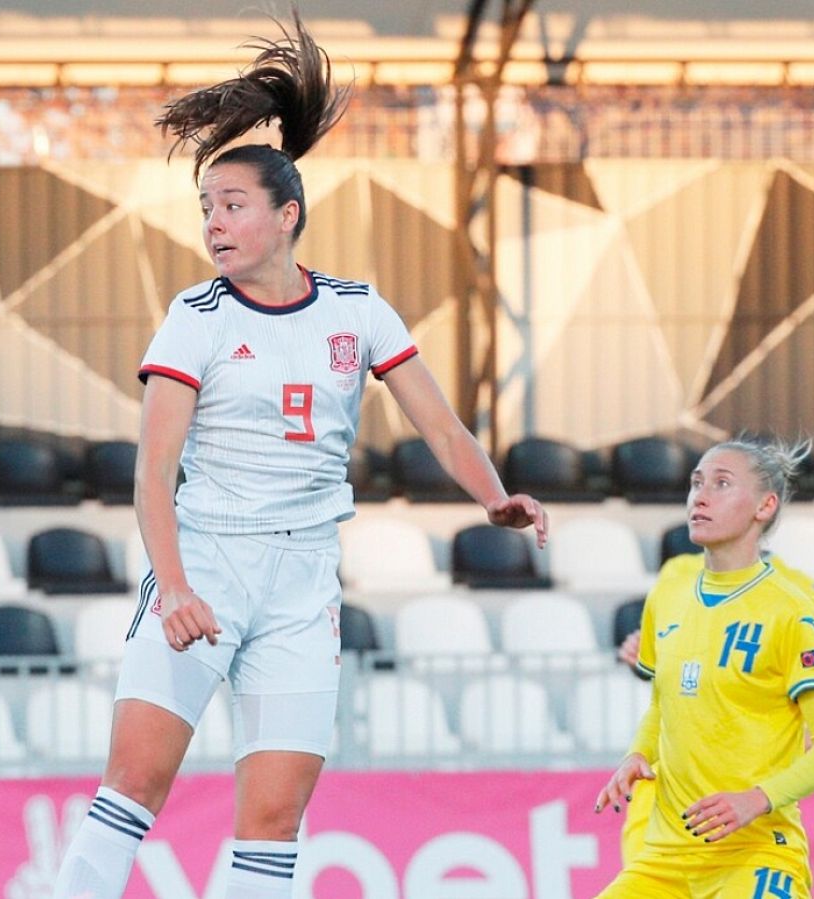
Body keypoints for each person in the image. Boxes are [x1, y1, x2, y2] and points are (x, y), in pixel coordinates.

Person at [50, 12, 547, 899]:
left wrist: (494, 496)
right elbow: (152, 473)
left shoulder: (357, 310)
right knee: (133, 786)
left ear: (288, 216)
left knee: (275, 820)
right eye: (207, 208)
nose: (214, 223)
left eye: (232, 205)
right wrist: (176, 589)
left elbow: (441, 427)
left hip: (304, 582)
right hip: (206, 561)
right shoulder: (194, 318)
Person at [593, 438, 814, 899]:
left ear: (764, 506)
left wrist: (757, 799)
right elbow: (663, 705)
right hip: (666, 859)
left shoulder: (793, 611)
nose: (700, 496)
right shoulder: (668, 594)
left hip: (754, 853)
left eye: (721, 484)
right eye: (696, 483)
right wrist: (637, 754)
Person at [614, 551, 814, 864]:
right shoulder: (678, 573)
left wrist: (812, 732)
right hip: (668, 781)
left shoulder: (799, 589)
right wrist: (640, 660)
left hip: (741, 786)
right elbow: (665, 667)